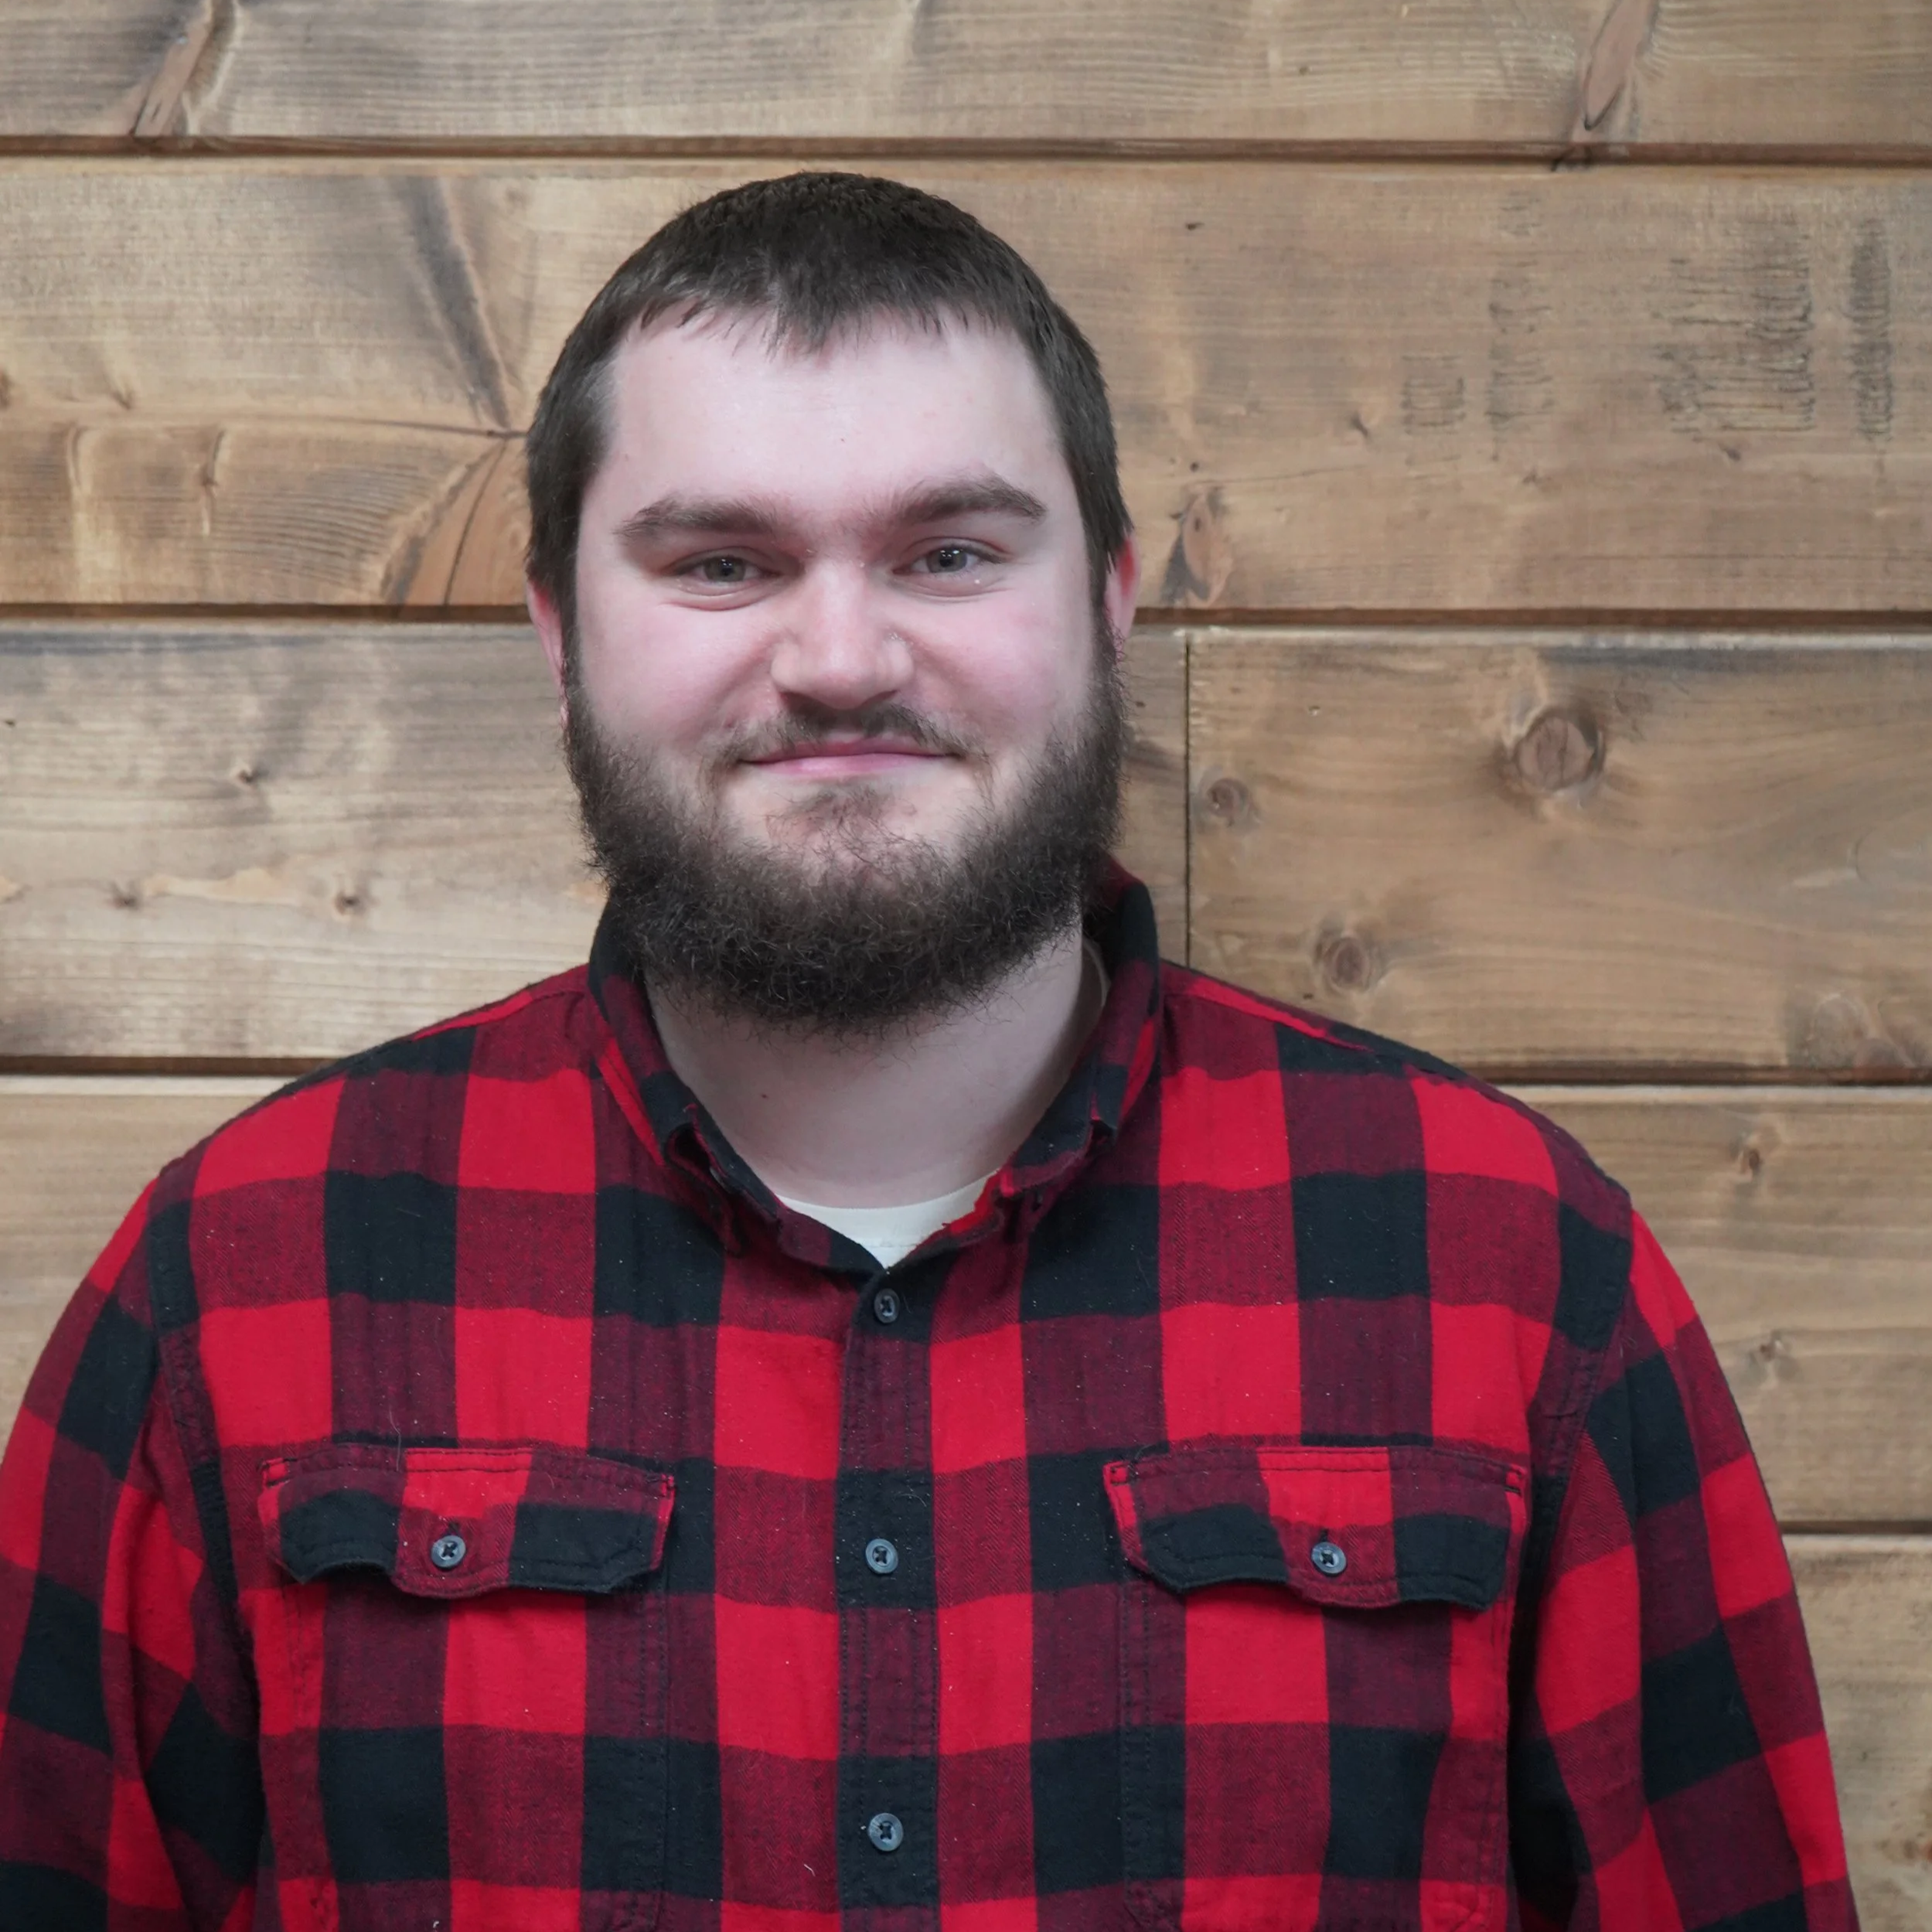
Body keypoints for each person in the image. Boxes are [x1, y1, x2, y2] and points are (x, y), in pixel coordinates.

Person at [0, 172, 1854, 1931]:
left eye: (948, 550)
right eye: (722, 561)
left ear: (1107, 601)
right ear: (560, 633)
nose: (837, 652)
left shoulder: (1507, 1265)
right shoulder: (240, 1281)